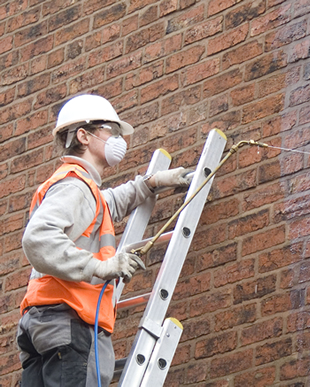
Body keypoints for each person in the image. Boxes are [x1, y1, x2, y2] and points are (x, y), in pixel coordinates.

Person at [16, 94, 192, 387]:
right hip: (70, 322)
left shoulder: (78, 188)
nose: (117, 139)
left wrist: (150, 183)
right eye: (110, 130)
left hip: (46, 323)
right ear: (83, 136)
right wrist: (99, 267)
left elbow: (106, 203)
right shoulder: (76, 186)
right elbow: (38, 239)